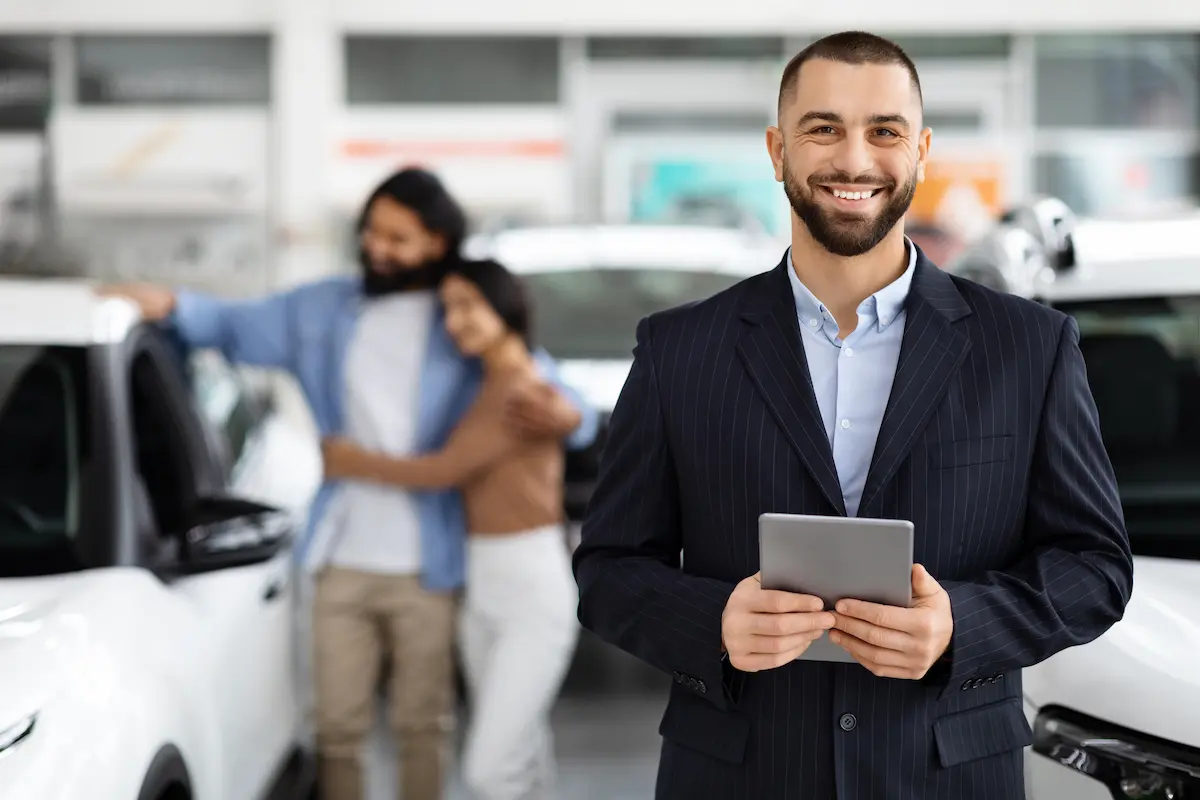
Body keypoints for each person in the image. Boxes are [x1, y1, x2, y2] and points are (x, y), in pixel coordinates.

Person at [572, 31, 1133, 800]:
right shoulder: (678, 350)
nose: (855, 160)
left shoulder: (1029, 347)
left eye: (885, 131)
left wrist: (961, 625)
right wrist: (714, 622)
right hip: (739, 777)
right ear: (778, 150)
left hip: (947, 778)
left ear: (921, 151)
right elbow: (607, 571)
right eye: (824, 128)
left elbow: (1095, 567)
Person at [101, 168, 598, 800]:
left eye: (397, 238)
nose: (376, 248)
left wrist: (575, 419)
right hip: (339, 556)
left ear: (438, 243)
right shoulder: (324, 307)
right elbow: (230, 324)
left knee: (425, 727)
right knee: (335, 730)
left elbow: (544, 386)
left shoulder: (463, 314)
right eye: (370, 232)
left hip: (433, 565)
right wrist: (170, 304)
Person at [321, 258, 579, 800]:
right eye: (447, 310)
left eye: (467, 306)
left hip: (531, 589)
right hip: (482, 583)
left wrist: (349, 461)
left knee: (489, 770)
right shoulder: (487, 380)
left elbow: (442, 471)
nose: (454, 322)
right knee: (523, 749)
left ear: (504, 306)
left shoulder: (522, 389)